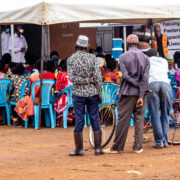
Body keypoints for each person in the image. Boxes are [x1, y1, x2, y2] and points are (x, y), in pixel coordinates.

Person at [104, 34, 150, 154]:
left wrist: (137, 86)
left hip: (127, 93)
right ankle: (138, 147)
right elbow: (145, 78)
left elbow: (125, 76)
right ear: (137, 43)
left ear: (127, 44)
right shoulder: (145, 58)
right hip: (141, 94)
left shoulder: (123, 57)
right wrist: (141, 93)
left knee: (123, 120)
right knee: (139, 120)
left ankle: (117, 147)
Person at [67, 35, 103, 156]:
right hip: (92, 93)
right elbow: (97, 77)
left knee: (79, 119)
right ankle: (98, 149)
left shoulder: (71, 59)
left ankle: (79, 149)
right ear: (86, 46)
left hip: (78, 93)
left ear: (76, 45)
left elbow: (72, 78)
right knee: (94, 119)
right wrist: (99, 91)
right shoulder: (92, 58)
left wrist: (84, 80)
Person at [146, 48, 172, 148]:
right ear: (157, 54)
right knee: (165, 114)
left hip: (153, 85)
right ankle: (165, 141)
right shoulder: (164, 61)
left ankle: (159, 142)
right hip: (166, 85)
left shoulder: (147, 60)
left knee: (155, 114)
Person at [54, 59, 73, 127]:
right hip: (74, 98)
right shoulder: (72, 74)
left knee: (57, 100)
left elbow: (57, 90)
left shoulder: (60, 74)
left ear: (61, 67)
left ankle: (62, 119)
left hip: (65, 100)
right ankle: (70, 118)